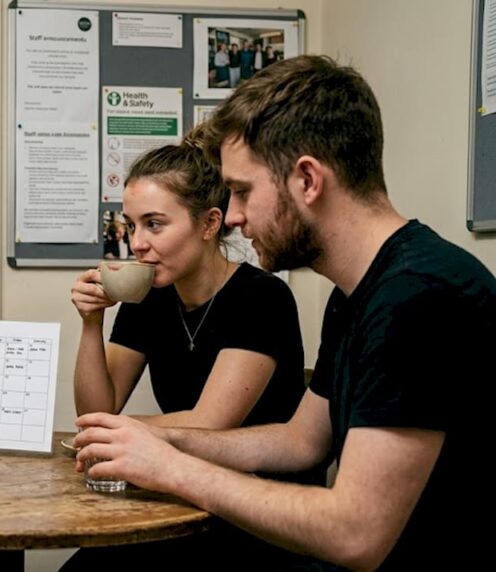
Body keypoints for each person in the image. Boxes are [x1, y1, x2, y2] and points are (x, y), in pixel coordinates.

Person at [75, 55, 496, 570]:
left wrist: (172, 467)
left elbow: (355, 534)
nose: (231, 215)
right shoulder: (358, 290)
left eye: (243, 192)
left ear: (307, 180)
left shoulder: (418, 296)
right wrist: (158, 436)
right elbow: (300, 443)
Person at [66, 131, 317, 570]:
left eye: (155, 224)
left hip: (259, 510)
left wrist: (108, 432)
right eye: (131, 225)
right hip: (181, 494)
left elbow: (210, 425)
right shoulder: (151, 294)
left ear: (209, 223)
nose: (137, 243)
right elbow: (95, 407)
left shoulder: (262, 298)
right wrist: (92, 322)